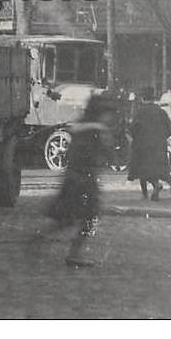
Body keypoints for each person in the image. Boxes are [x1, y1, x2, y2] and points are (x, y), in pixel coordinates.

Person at [38, 94, 118, 268]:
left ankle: (40, 239)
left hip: (72, 179)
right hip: (86, 182)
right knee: (89, 217)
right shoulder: (98, 130)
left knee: (67, 218)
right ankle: (74, 254)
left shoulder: (79, 127)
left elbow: (70, 155)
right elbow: (104, 156)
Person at [127, 94, 171, 201]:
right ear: (153, 99)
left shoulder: (139, 112)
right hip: (159, 146)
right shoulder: (161, 112)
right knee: (159, 169)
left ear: (142, 98)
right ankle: (170, 183)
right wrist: (162, 137)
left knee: (142, 170)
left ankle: (146, 193)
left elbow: (132, 128)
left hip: (143, 146)